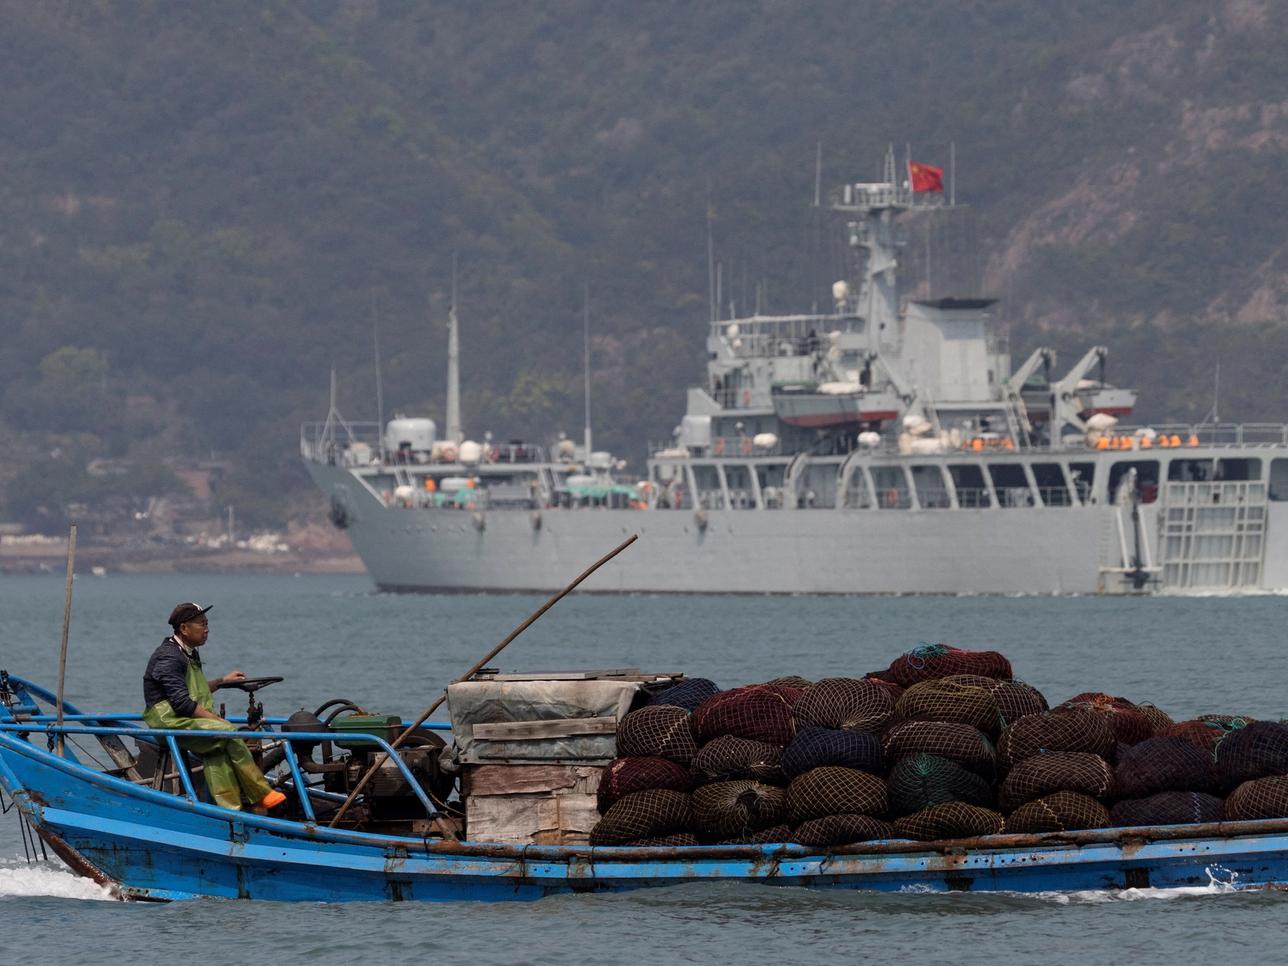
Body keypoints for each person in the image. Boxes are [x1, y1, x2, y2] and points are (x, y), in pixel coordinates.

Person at [142, 602, 285, 811]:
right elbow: (181, 703)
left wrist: (221, 682)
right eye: (202, 624)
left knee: (216, 748)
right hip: (168, 722)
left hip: (184, 719)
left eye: (207, 623)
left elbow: (193, 692)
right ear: (184, 629)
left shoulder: (189, 652)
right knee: (225, 732)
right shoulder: (170, 657)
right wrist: (215, 719)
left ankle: (230, 809)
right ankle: (260, 792)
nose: (207, 629)